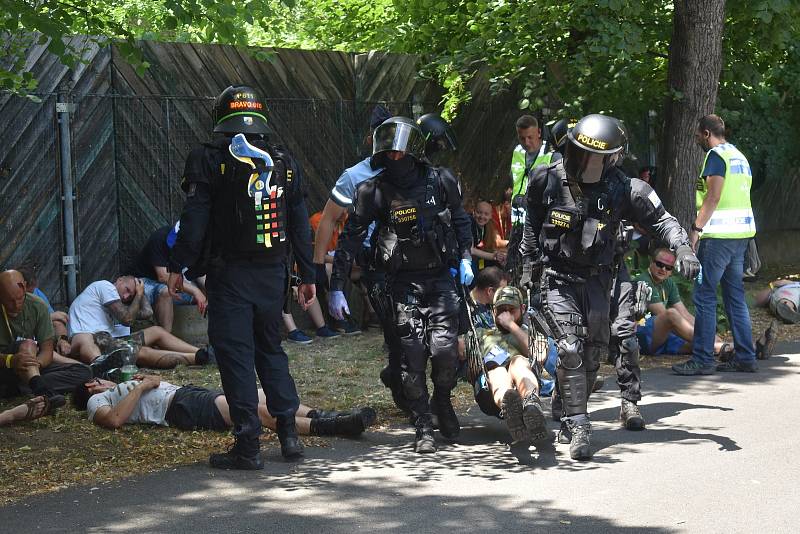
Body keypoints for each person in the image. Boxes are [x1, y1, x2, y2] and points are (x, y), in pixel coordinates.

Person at [520, 113, 699, 460]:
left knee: (591, 356)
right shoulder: (545, 179)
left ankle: (569, 403)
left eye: (597, 157)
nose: (588, 163)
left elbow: (661, 220)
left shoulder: (626, 188)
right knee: (570, 348)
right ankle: (579, 425)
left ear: (612, 157)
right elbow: (530, 227)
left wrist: (683, 248)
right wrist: (527, 270)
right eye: (582, 154)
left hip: (600, 280)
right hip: (557, 279)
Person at [167, 85, 315, 469]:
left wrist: (177, 266)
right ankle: (289, 435)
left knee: (236, 357)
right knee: (271, 351)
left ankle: (247, 445)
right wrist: (308, 272)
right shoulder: (282, 159)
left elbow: (195, 219)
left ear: (220, 116)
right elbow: (299, 222)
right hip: (273, 273)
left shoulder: (208, 158)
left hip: (230, 274)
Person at [329, 116, 473, 454]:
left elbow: (461, 219)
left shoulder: (441, 181)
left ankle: (442, 400)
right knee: (410, 357)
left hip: (439, 280)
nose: (395, 159)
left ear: (414, 152)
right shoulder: (373, 191)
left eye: (401, 153)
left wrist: (466, 257)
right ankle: (422, 422)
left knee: (445, 352)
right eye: (389, 154)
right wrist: (336, 284)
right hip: (400, 284)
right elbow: (350, 239)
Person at [673, 114, 758, 375]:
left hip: (719, 237)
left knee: (704, 295)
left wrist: (696, 230)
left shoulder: (716, 157)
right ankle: (746, 356)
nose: (697, 138)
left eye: (698, 134)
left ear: (707, 133)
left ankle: (702, 359)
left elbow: (713, 196)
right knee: (734, 296)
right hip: (740, 236)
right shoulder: (739, 157)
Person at [72, 375, 376, 438]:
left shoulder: (119, 389)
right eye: (99, 380)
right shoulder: (97, 399)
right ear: (91, 385)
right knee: (251, 411)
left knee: (262, 395)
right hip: (178, 407)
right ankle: (329, 428)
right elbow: (113, 421)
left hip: (187, 394)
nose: (105, 381)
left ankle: (322, 414)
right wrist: (141, 385)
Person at [67, 276, 209, 371]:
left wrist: (139, 292)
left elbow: (148, 313)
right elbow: (127, 319)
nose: (126, 296)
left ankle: (201, 352)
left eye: (131, 296)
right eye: (127, 290)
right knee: (139, 352)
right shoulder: (105, 286)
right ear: (120, 280)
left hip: (107, 341)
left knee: (157, 331)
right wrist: (139, 295)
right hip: (93, 343)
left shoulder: (117, 305)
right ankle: (198, 358)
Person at [0, 270, 91, 410]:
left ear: (24, 287)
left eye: (19, 299)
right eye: (10, 301)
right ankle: (42, 390)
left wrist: (34, 364)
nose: (16, 305)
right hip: (5, 363)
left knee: (83, 372)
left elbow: (47, 351)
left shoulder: (37, 305)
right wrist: (11, 360)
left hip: (30, 364)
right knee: (28, 344)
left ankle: (22, 386)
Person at [473, 286, 549, 443]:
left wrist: (511, 326)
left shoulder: (532, 333)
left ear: (522, 308)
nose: (506, 314)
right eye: (501, 310)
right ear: (493, 311)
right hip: (490, 392)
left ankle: (531, 405)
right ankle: (509, 406)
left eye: (511, 309)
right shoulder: (480, 334)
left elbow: (539, 356)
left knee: (518, 362)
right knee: (497, 370)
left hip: (523, 380)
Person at [636, 248, 735, 358]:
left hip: (662, 336)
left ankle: (739, 350)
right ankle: (713, 343)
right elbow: (664, 315)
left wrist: (710, 334)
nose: (663, 269)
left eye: (668, 267)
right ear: (651, 262)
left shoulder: (668, 283)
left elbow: (685, 314)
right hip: (642, 334)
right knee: (671, 314)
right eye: (659, 264)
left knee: (701, 346)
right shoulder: (643, 281)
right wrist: (706, 337)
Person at [506, 115, 557, 280]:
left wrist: (526, 200)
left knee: (534, 271)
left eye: (530, 137)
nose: (526, 142)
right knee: (513, 272)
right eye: (522, 138)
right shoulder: (517, 151)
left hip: (538, 226)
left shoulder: (551, 155)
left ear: (539, 133)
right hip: (518, 223)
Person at [130, 225, 207, 332]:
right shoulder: (159, 239)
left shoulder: (199, 246)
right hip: (146, 282)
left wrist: (208, 291)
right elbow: (163, 277)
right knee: (165, 292)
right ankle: (166, 339)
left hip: (178, 283)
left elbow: (201, 273)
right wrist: (195, 291)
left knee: (213, 290)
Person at [15, 262, 72, 356]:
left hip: (41, 339)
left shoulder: (37, 293)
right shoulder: (12, 297)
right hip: (23, 342)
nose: (31, 296)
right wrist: (50, 316)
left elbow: (57, 320)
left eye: (33, 292)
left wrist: (62, 339)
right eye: (28, 293)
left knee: (57, 322)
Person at [470, 199, 507, 272]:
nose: (482, 216)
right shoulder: (469, 224)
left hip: (476, 259)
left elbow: (488, 248)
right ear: (474, 212)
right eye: (479, 212)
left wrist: (499, 255)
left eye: (486, 214)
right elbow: (471, 250)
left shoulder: (487, 227)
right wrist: (493, 256)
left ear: (490, 216)